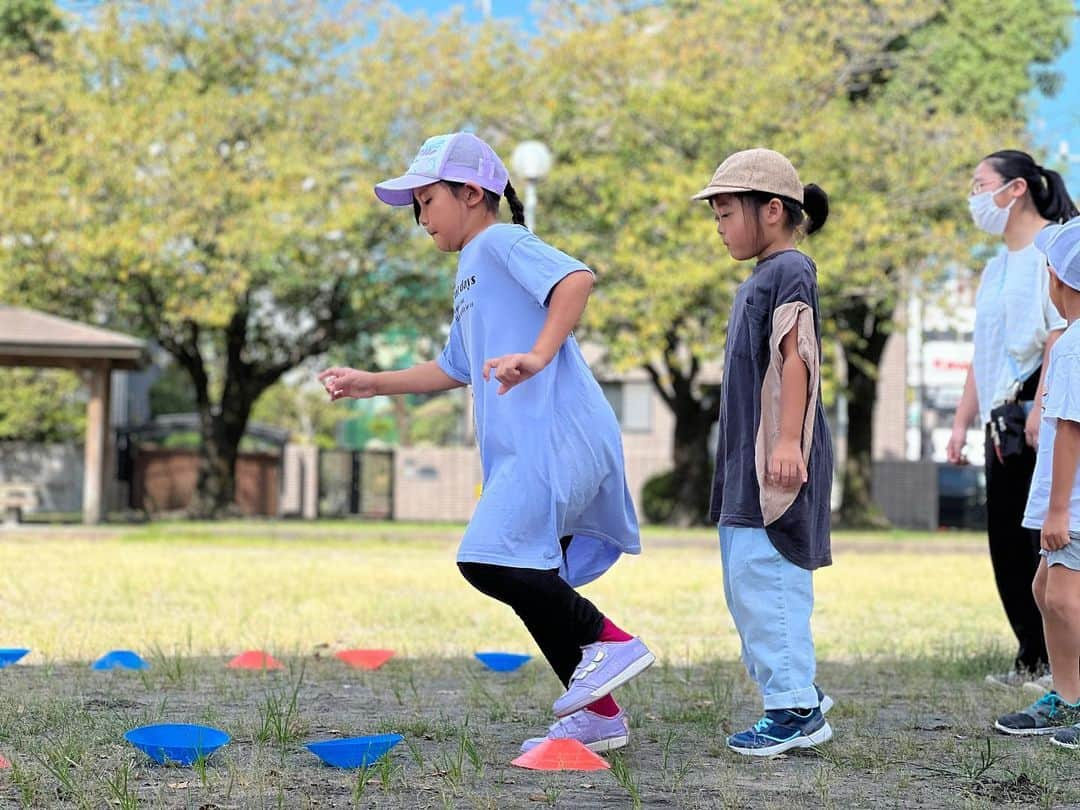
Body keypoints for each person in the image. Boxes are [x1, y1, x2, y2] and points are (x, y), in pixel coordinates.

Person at [318, 132, 653, 753]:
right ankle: (599, 713)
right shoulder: (472, 269)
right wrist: (371, 384)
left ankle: (610, 641)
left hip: (554, 439)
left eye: (425, 201)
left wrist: (536, 354)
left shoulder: (497, 242)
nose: (420, 218)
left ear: (472, 193)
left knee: (486, 558)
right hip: (530, 448)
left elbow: (575, 280)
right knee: (529, 572)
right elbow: (454, 367)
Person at [692, 148, 834, 756]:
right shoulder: (763, 275)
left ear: (771, 210)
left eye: (726, 212)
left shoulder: (789, 270)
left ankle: (795, 709)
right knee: (745, 579)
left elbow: (795, 354)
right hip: (745, 464)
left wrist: (784, 441)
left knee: (768, 578)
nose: (720, 226)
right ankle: (796, 690)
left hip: (776, 460)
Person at [947, 150, 1077, 688]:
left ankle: (1060, 666)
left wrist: (1042, 402)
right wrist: (960, 422)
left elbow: (1060, 333)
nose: (975, 196)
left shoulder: (1056, 248)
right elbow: (984, 352)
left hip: (1037, 405)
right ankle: (1031, 653)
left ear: (1016, 188)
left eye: (981, 184)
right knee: (1003, 535)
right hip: (997, 412)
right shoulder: (996, 265)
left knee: (1044, 537)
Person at [993, 216, 1080, 742]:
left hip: (1072, 504)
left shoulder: (1073, 347)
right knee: (1046, 588)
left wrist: (1057, 511)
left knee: (1065, 598)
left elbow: (1071, 429)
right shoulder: (1070, 342)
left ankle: (1074, 699)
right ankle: (1068, 696)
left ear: (1058, 280)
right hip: (1067, 500)